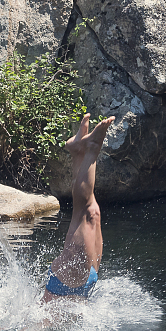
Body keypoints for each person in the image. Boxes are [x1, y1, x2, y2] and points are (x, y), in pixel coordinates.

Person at [42, 111, 115, 302]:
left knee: (85, 211)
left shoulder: (34, 323)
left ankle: (90, 149)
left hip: (68, 280)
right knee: (93, 213)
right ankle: (80, 151)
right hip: (76, 283)